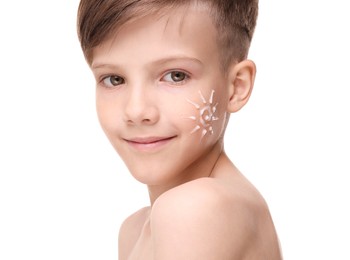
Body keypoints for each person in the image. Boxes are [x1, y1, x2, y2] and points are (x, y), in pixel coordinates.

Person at [77, 0, 282, 259]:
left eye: (175, 75)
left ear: (236, 86)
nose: (137, 111)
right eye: (114, 79)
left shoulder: (195, 210)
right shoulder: (134, 229)